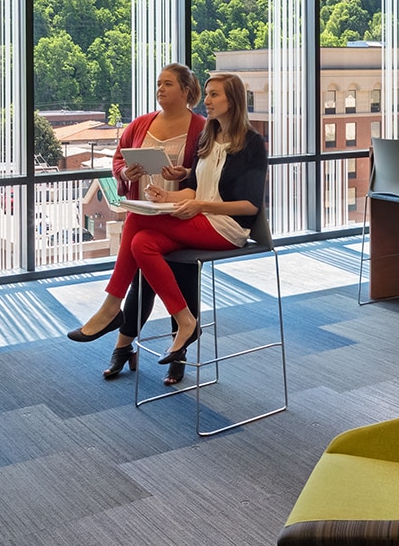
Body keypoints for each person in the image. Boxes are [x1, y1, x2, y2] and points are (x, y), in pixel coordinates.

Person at [65, 73, 266, 387]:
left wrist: (200, 205)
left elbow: (250, 207)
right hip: (200, 218)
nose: (207, 101)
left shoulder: (250, 142)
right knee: (142, 241)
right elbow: (197, 189)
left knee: (137, 221)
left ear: (233, 101)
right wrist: (170, 194)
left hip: (227, 228)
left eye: (214, 95)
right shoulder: (210, 136)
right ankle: (185, 321)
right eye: (208, 95)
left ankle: (110, 308)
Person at [71, 64, 206, 379]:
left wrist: (185, 175)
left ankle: (172, 350)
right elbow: (119, 159)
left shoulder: (202, 128)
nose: (160, 88)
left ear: (186, 90)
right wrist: (125, 172)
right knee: (143, 281)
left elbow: (209, 176)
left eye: (168, 83)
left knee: (183, 281)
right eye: (158, 83)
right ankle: (124, 345)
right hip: (146, 211)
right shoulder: (141, 123)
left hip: (180, 214)